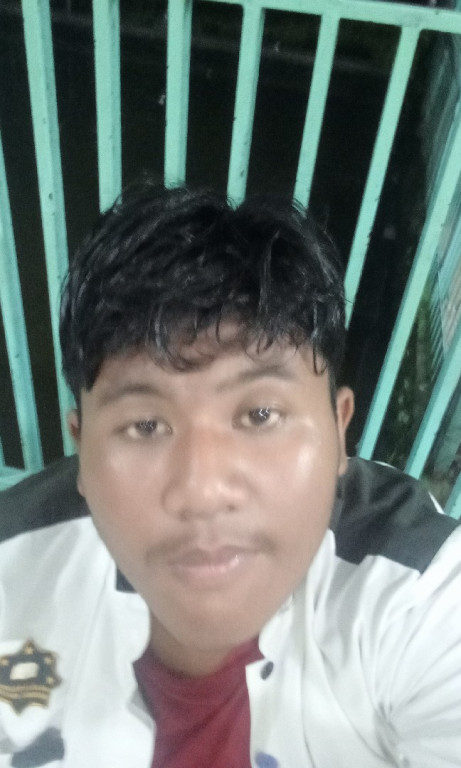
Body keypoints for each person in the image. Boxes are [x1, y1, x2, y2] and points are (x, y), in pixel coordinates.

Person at [0, 185, 460, 768]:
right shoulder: (12, 572)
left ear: (339, 428)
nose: (202, 492)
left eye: (260, 415)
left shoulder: (417, 592)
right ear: (82, 449)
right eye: (145, 425)